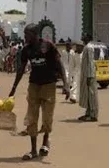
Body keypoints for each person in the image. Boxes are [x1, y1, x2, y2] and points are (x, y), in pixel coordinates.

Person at [9, 23, 70, 161]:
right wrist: (13, 88)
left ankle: (45, 142)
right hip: (34, 85)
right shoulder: (26, 50)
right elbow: (21, 69)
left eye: (27, 34)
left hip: (49, 85)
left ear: (35, 34)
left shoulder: (48, 46)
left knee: (47, 117)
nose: (24, 37)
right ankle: (33, 150)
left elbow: (59, 64)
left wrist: (66, 84)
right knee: (31, 117)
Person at [78, 36, 99, 122]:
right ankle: (88, 113)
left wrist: (89, 76)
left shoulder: (89, 47)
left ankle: (93, 115)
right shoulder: (86, 47)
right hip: (86, 75)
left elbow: (90, 62)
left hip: (89, 76)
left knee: (91, 95)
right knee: (87, 95)